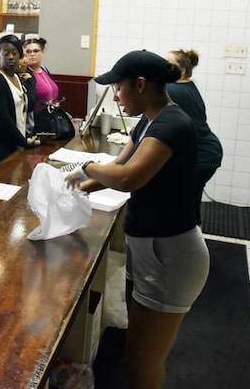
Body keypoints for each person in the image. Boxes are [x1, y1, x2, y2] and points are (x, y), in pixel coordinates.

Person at [65, 50, 209, 389]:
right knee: (135, 352)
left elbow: (129, 178)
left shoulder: (173, 124)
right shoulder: (149, 119)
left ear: (140, 84)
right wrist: (78, 188)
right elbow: (117, 168)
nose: (115, 96)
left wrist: (84, 166)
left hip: (171, 257)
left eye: (118, 88)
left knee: (142, 366)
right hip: (149, 249)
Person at [165, 49, 223, 225]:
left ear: (182, 70)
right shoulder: (188, 85)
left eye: (169, 65)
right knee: (190, 204)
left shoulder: (173, 89)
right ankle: (193, 245)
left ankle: (188, 246)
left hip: (201, 155)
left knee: (184, 207)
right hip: (209, 152)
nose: (163, 68)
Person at [0, 34, 39, 175]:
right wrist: (23, 142)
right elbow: (2, 120)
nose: (11, 57)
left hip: (13, 144)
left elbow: (26, 106)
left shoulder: (17, 77)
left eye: (14, 53)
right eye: (6, 54)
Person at [23, 37, 59, 113]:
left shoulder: (44, 69)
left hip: (53, 117)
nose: (32, 54)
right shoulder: (25, 74)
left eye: (36, 51)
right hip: (37, 120)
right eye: (28, 51)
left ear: (42, 52)